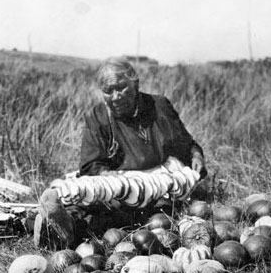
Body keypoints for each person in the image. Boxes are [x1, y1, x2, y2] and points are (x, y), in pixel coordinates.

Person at [34, 56, 207, 249]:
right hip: (119, 183)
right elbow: (90, 165)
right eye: (108, 91)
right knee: (91, 194)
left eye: (121, 87)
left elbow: (184, 143)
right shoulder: (98, 116)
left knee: (141, 209)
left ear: (135, 84)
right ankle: (57, 226)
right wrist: (108, 177)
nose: (116, 96)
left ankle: (68, 229)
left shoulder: (159, 106)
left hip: (159, 179)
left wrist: (195, 155)